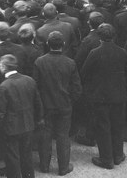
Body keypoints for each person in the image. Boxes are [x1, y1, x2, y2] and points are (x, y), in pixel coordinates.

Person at [33, 31, 82, 175]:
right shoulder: (70, 63)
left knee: (45, 136)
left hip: (46, 106)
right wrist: (70, 100)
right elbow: (77, 88)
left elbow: (34, 86)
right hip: (64, 105)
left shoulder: (39, 62)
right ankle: (63, 167)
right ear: (64, 44)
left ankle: (44, 166)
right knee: (63, 136)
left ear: (48, 44)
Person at [81, 23, 127, 169]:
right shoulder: (123, 52)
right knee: (117, 125)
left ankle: (106, 158)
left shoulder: (95, 52)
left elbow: (84, 73)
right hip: (119, 94)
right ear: (113, 36)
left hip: (100, 96)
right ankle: (118, 155)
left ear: (100, 37)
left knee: (103, 126)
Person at [0, 54, 43, 178]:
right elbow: (38, 102)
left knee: (12, 158)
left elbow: (0, 112)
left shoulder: (4, 86)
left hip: (11, 128)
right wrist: (38, 119)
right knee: (27, 155)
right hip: (28, 124)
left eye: (0, 65)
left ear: (4, 67)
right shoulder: (29, 80)